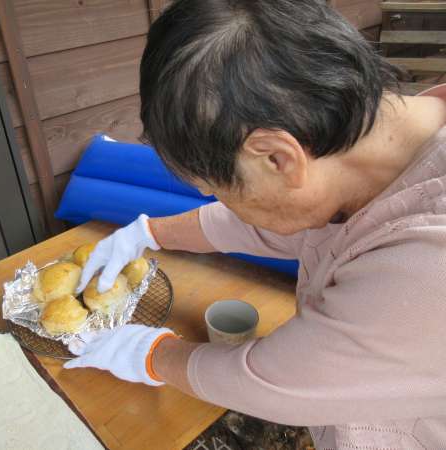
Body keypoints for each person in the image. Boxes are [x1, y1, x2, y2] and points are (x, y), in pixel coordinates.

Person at [64, 0, 446, 448]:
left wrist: (152, 354)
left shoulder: (428, 261)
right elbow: (280, 219)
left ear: (277, 158)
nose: (223, 204)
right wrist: (149, 233)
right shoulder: (375, 148)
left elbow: (282, 381)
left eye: (218, 190)